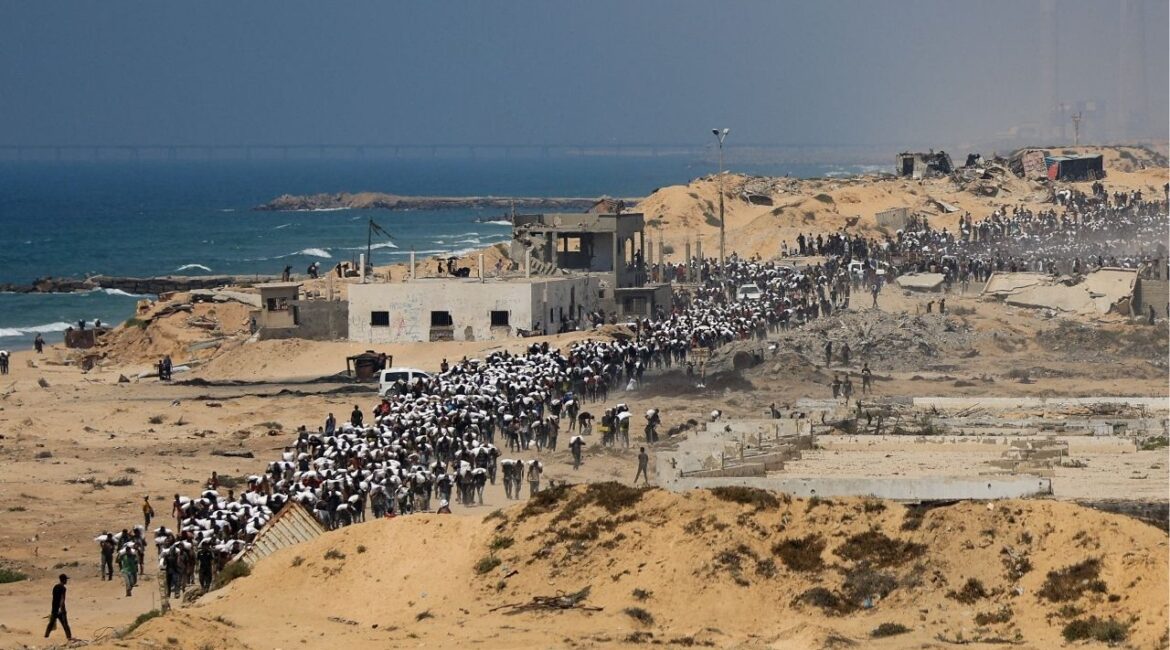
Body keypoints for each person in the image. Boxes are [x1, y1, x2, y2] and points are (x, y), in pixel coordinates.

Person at [44, 574, 72, 641]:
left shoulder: (55, 587)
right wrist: (60, 608)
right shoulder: (63, 588)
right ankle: (69, 637)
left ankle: (46, 636)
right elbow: (62, 599)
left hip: (54, 608)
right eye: (66, 580)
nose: (67, 581)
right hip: (61, 610)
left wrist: (56, 608)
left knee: (51, 623)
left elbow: (54, 597)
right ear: (64, 580)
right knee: (65, 624)